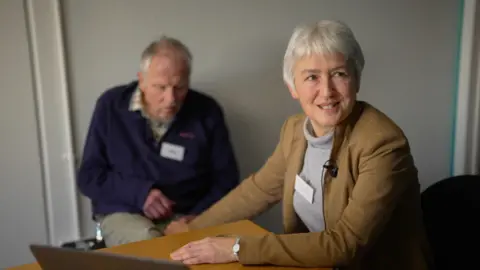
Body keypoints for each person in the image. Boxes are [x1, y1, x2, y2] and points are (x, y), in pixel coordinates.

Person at [167, 20, 433, 270]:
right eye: (312, 77)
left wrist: (237, 248)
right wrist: (194, 229)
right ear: (292, 86)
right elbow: (258, 190)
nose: (327, 91)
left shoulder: (383, 144)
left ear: (356, 80)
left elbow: (346, 244)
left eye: (339, 74)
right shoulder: (295, 130)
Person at [77, 36, 240, 247]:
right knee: (152, 246)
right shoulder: (111, 105)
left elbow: (226, 180)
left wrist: (198, 217)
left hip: (188, 214)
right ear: (141, 81)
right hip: (124, 211)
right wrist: (140, 193)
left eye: (179, 87)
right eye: (160, 87)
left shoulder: (206, 111)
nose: (171, 99)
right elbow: (89, 177)